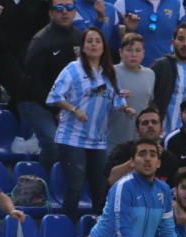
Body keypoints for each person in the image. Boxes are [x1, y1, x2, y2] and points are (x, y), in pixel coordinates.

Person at [47, 27, 135, 220]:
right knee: (75, 186)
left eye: (98, 41)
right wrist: (73, 110)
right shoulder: (73, 69)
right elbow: (53, 97)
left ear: (104, 46)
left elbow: (114, 98)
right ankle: (67, 227)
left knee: (100, 187)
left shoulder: (108, 73)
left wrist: (125, 107)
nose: (94, 45)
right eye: (90, 41)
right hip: (72, 137)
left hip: (97, 140)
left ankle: (96, 233)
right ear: (83, 47)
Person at [90, 139, 180, 237]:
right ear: (132, 162)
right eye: (142, 154)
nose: (148, 159)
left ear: (158, 163)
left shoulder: (164, 190)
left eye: (152, 154)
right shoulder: (123, 187)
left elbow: (167, 230)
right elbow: (121, 229)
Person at [17, 2, 82, 173]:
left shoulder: (79, 38)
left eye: (69, 9)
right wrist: (55, 108)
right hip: (35, 100)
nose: (65, 13)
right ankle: (43, 183)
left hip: (64, 104)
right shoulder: (42, 40)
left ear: (75, 13)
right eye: (59, 9)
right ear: (51, 13)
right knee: (53, 144)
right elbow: (33, 82)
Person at [150, 22, 186, 137]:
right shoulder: (160, 66)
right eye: (181, 39)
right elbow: (148, 100)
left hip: (183, 140)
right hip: (160, 137)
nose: (185, 44)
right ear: (173, 42)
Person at [105, 106, 179, 186]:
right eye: (145, 123)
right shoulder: (123, 150)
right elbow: (111, 179)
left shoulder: (169, 159)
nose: (150, 125)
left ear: (161, 130)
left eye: (154, 122)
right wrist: (132, 162)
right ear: (137, 131)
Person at [107, 33, 155, 152]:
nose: (133, 54)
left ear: (143, 53)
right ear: (120, 52)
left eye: (137, 50)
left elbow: (149, 104)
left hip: (139, 140)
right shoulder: (111, 72)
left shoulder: (150, 74)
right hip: (113, 138)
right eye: (129, 50)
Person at [114, 0, 185, 66]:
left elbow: (183, 38)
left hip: (166, 68)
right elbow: (113, 42)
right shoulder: (123, 3)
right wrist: (128, 30)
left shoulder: (177, 4)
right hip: (133, 68)